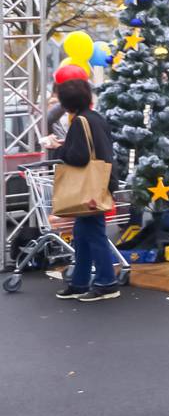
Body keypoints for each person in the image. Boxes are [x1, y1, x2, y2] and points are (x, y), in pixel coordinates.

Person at [51, 78, 119, 302]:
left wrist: (59, 150)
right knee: (83, 235)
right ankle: (80, 282)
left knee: (93, 234)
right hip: (100, 182)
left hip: (89, 188)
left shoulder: (80, 122)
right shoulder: (95, 118)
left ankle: (106, 282)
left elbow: (79, 157)